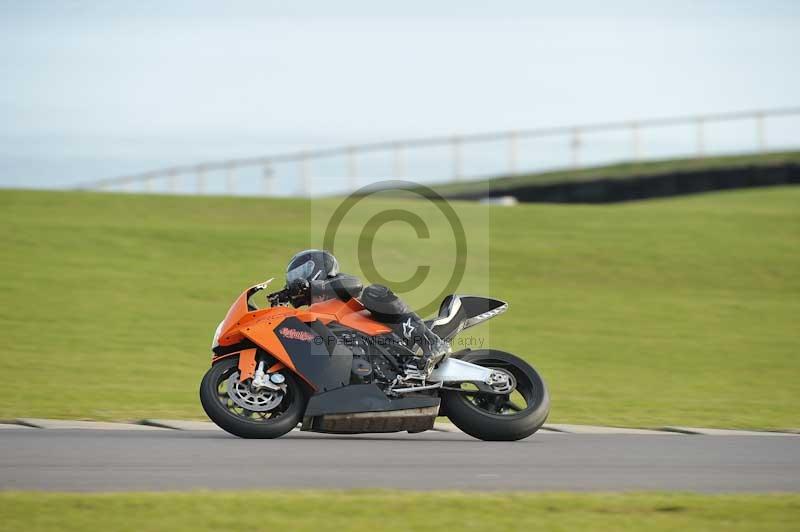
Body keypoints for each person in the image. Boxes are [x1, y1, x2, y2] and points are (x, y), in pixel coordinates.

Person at [282, 249, 449, 377]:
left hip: (387, 334)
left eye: (300, 273)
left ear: (317, 267)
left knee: (374, 292)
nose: (296, 280)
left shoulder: (337, 282)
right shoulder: (314, 313)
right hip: (358, 358)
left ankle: (431, 342)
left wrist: (313, 286)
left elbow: (355, 284)